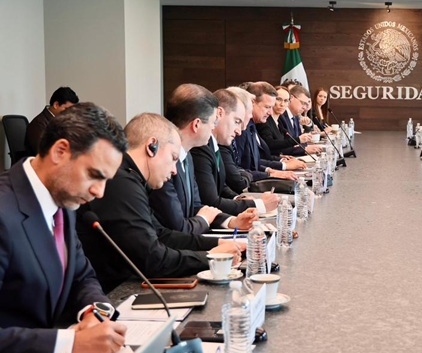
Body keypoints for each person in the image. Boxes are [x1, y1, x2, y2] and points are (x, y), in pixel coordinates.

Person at [1, 103, 127, 353]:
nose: (100, 192)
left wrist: (95, 312)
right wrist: (70, 344)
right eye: (94, 175)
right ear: (60, 151)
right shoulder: (4, 213)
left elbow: (82, 277)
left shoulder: (63, 200)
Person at [77, 113, 241, 292]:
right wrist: (210, 257)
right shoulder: (122, 183)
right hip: (112, 292)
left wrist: (219, 243)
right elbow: (153, 259)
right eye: (173, 158)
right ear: (151, 146)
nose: (174, 171)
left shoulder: (133, 179)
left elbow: (162, 235)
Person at [149, 84, 259, 234]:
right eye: (213, 122)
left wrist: (231, 221)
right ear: (196, 125)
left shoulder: (187, 155)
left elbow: (196, 206)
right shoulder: (164, 164)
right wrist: (218, 239)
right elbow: (178, 227)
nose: (213, 128)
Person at [190, 88, 279, 215]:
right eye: (237, 122)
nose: (239, 131)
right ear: (219, 113)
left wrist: (238, 198)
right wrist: (259, 205)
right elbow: (211, 201)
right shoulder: (201, 147)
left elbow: (221, 186)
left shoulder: (214, 144)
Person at [233, 81, 299, 182]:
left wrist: (272, 170)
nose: (270, 112)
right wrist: (273, 172)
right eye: (267, 107)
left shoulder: (252, 125)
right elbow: (240, 167)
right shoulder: (242, 129)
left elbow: (254, 162)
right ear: (252, 103)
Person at [25, 87, 79, 156]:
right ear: (56, 105)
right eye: (66, 108)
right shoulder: (38, 124)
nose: (69, 113)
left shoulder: (61, 121)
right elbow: (44, 152)